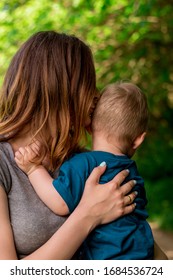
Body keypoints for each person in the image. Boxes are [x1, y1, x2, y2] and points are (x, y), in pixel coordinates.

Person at [0, 31, 138, 260]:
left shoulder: (89, 163)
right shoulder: (4, 161)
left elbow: (149, 252)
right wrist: (88, 215)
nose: (96, 95)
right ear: (60, 89)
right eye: (88, 85)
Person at [15, 82, 165, 259]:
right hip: (143, 254)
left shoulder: (83, 164)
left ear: (89, 127)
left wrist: (33, 169)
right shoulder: (132, 172)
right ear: (138, 140)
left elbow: (60, 203)